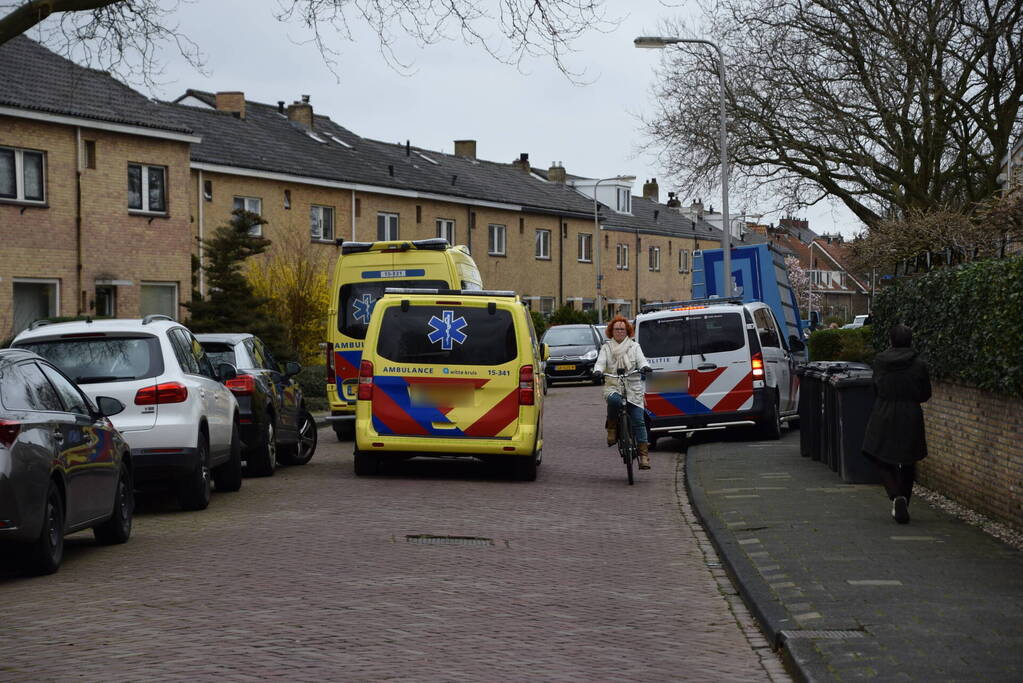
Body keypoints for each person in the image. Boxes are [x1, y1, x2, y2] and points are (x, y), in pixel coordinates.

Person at [861, 324, 931, 524]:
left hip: (884, 412)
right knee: (909, 460)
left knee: (879, 454)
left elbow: (875, 387)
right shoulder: (919, 365)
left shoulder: (880, 362)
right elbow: (926, 393)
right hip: (911, 414)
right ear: (910, 340)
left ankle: (895, 495)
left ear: (891, 340)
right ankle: (904, 499)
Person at [592, 316, 653, 469]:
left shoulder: (634, 346)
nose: (619, 331)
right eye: (616, 329)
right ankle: (612, 427)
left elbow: (642, 360)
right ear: (611, 331)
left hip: (633, 387)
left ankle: (643, 456)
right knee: (614, 401)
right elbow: (600, 362)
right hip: (613, 385)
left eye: (622, 329)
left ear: (627, 331)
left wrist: (645, 367)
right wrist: (598, 371)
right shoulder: (606, 347)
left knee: (639, 420)